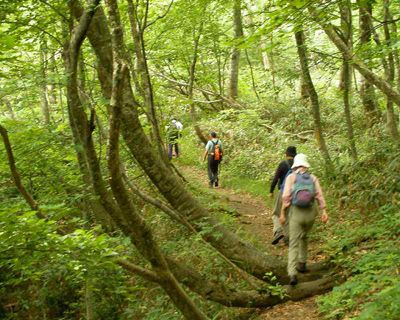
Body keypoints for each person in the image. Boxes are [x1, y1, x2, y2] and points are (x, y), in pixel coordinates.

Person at [279, 153, 329, 285]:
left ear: (295, 165)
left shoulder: (291, 177)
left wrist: (283, 213)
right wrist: (324, 211)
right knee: (304, 237)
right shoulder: (312, 178)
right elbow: (319, 195)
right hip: (311, 213)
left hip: (297, 213)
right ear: (306, 164)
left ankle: (292, 274)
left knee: (293, 243)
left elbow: (286, 197)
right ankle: (302, 263)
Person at [269, 146, 297, 245]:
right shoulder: (298, 165)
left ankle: (278, 231)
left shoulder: (283, 164)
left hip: (283, 191)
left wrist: (271, 191)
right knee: (288, 215)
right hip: (294, 194)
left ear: (286, 154)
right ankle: (287, 238)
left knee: (276, 213)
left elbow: (276, 178)